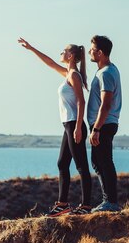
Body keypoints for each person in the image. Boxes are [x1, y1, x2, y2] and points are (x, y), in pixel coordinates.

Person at [18, 37, 92, 216]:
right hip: (69, 124)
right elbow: (50, 62)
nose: (61, 53)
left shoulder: (74, 75)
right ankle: (63, 204)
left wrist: (78, 128)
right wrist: (31, 48)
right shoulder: (68, 73)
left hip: (75, 123)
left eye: (63, 51)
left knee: (81, 166)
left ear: (71, 55)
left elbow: (81, 101)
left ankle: (86, 206)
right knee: (62, 163)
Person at [87, 35, 123, 212]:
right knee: (98, 161)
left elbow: (106, 104)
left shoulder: (107, 73)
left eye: (92, 49)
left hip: (104, 124)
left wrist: (96, 129)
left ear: (100, 53)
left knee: (104, 161)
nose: (89, 52)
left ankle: (111, 202)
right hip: (104, 124)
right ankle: (108, 200)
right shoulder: (106, 69)